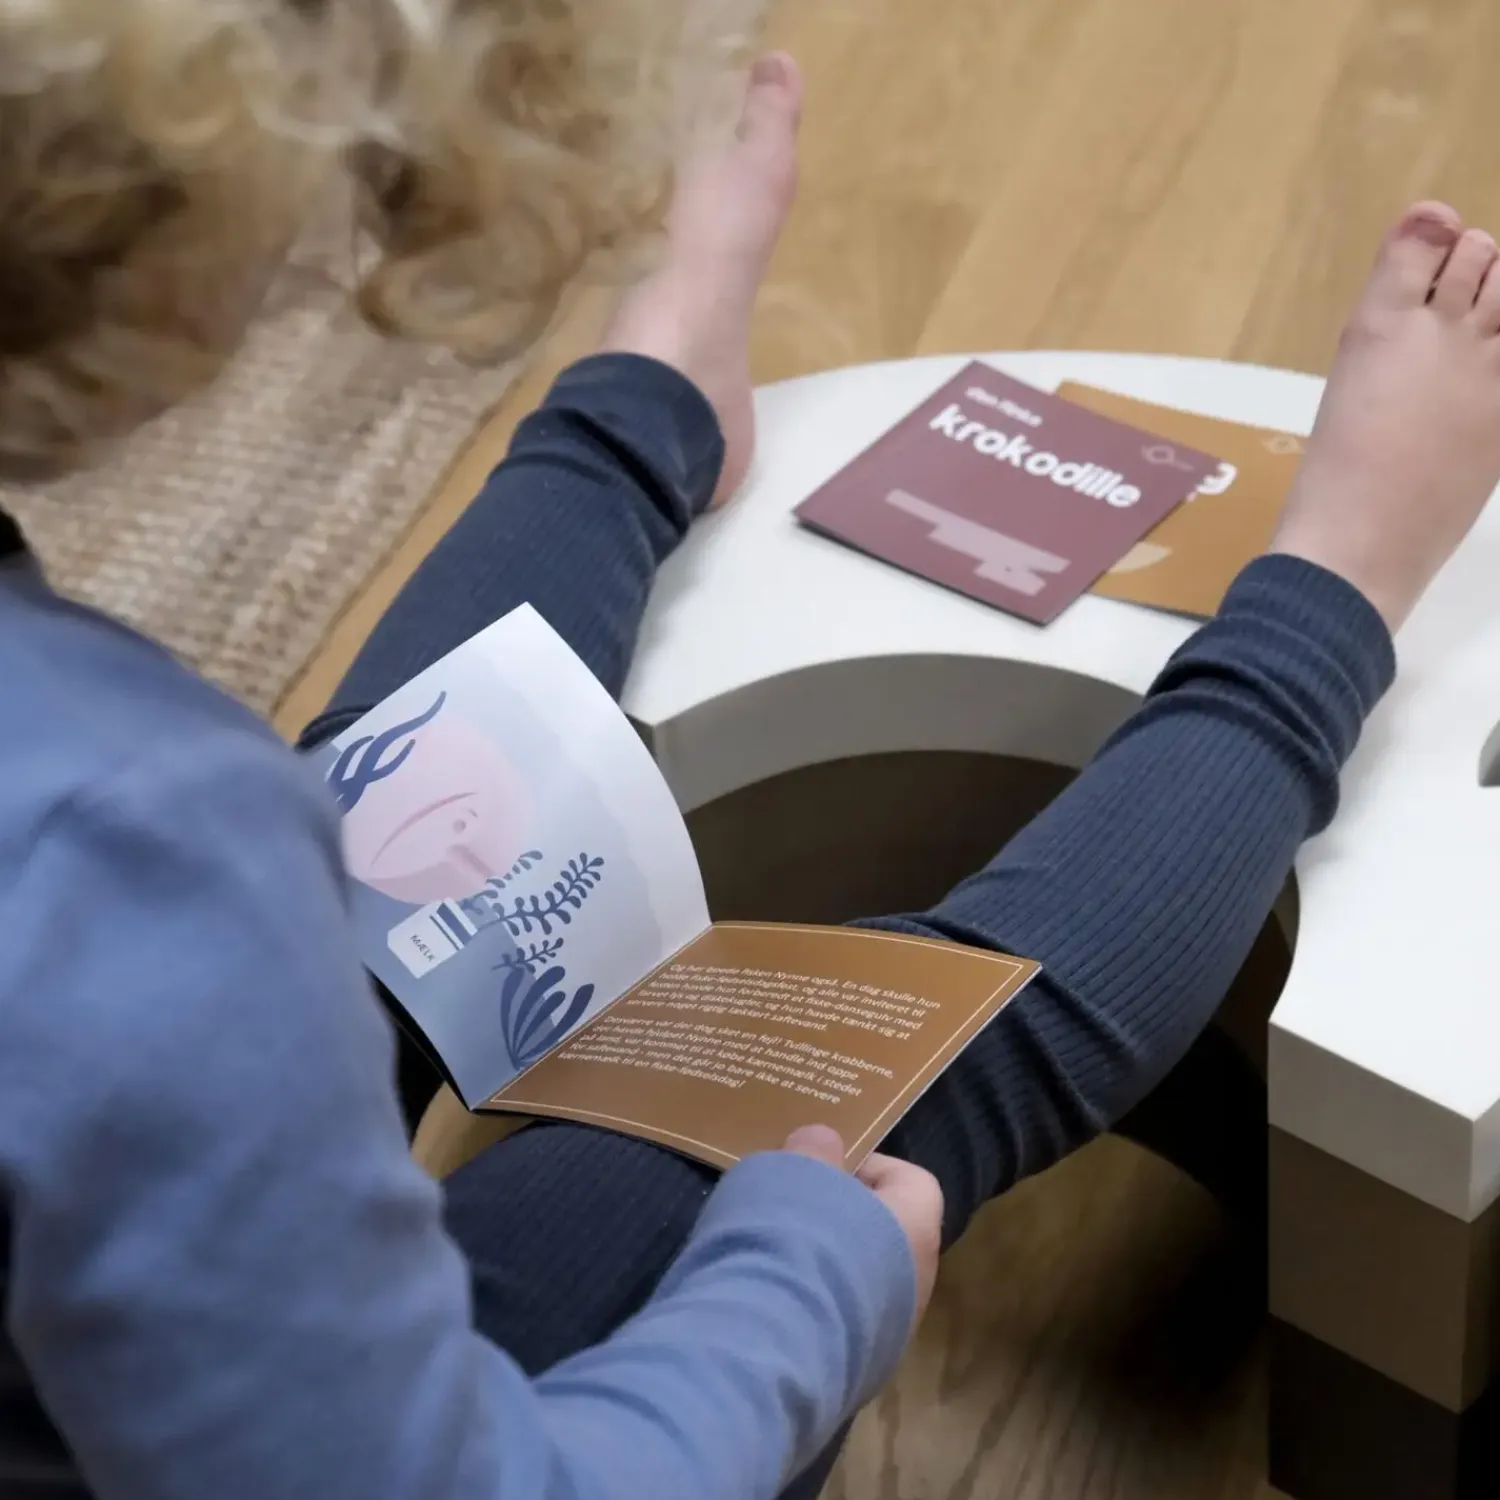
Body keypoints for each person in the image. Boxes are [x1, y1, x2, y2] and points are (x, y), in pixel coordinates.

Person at [2, 0, 1500, 1492]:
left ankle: (648, 394)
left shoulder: (114, 834)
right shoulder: (129, 834)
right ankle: (1335, 593)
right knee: (869, 1089)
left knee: (407, 790)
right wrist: (811, 1274)